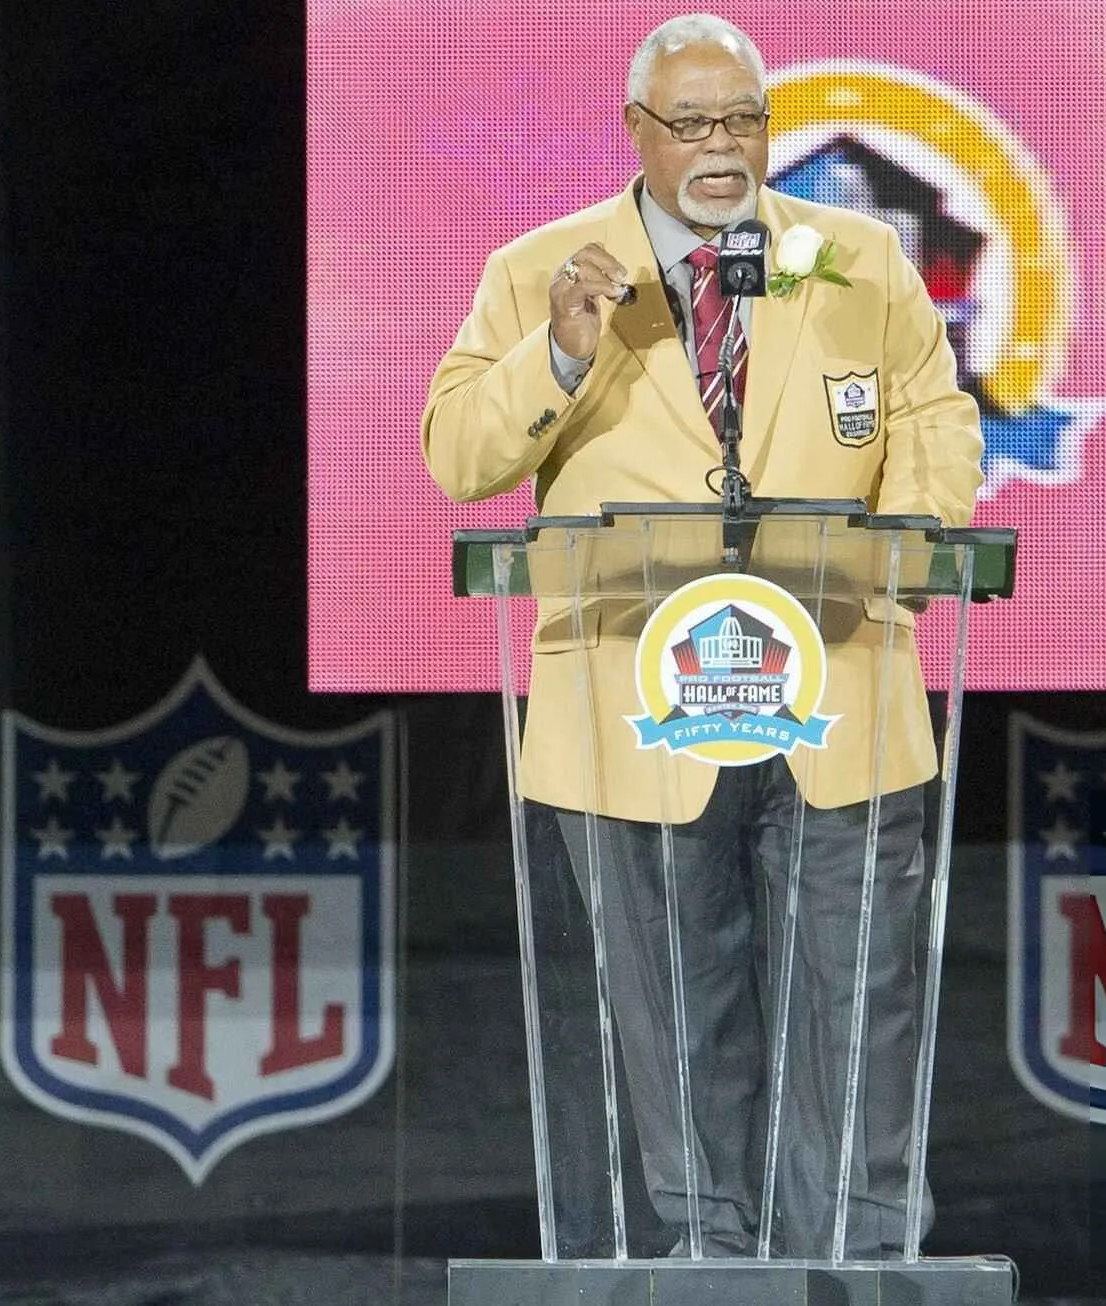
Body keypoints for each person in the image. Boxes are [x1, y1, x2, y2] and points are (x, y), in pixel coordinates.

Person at [418, 14, 984, 1260]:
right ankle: (712, 1253)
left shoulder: (857, 261)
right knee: (678, 997)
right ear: (637, 134)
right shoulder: (542, 270)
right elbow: (457, 454)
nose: (721, 147)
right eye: (692, 124)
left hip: (836, 674)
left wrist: (905, 542)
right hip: (634, 702)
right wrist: (563, 350)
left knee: (857, 996)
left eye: (742, 119)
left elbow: (931, 413)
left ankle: (855, 1251)